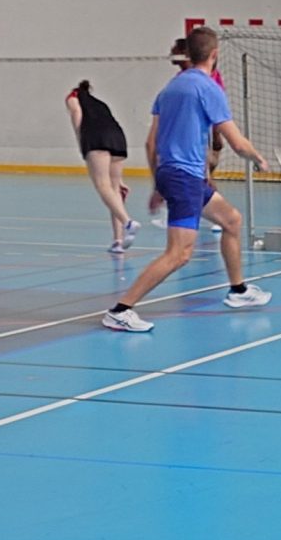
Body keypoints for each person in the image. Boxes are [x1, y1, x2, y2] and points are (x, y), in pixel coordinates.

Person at [103, 28, 270, 332]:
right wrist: (257, 158)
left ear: (188, 54)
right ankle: (121, 310)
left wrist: (158, 184)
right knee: (179, 253)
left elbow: (151, 143)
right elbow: (236, 142)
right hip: (185, 178)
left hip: (174, 173)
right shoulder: (209, 88)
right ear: (215, 54)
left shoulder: (169, 89)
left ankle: (239, 291)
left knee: (231, 220)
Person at [65, 78, 134, 252]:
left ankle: (128, 222)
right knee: (115, 189)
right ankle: (118, 241)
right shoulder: (100, 104)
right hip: (118, 138)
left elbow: (76, 115)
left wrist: (81, 143)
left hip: (96, 139)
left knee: (102, 185)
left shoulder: (73, 97)